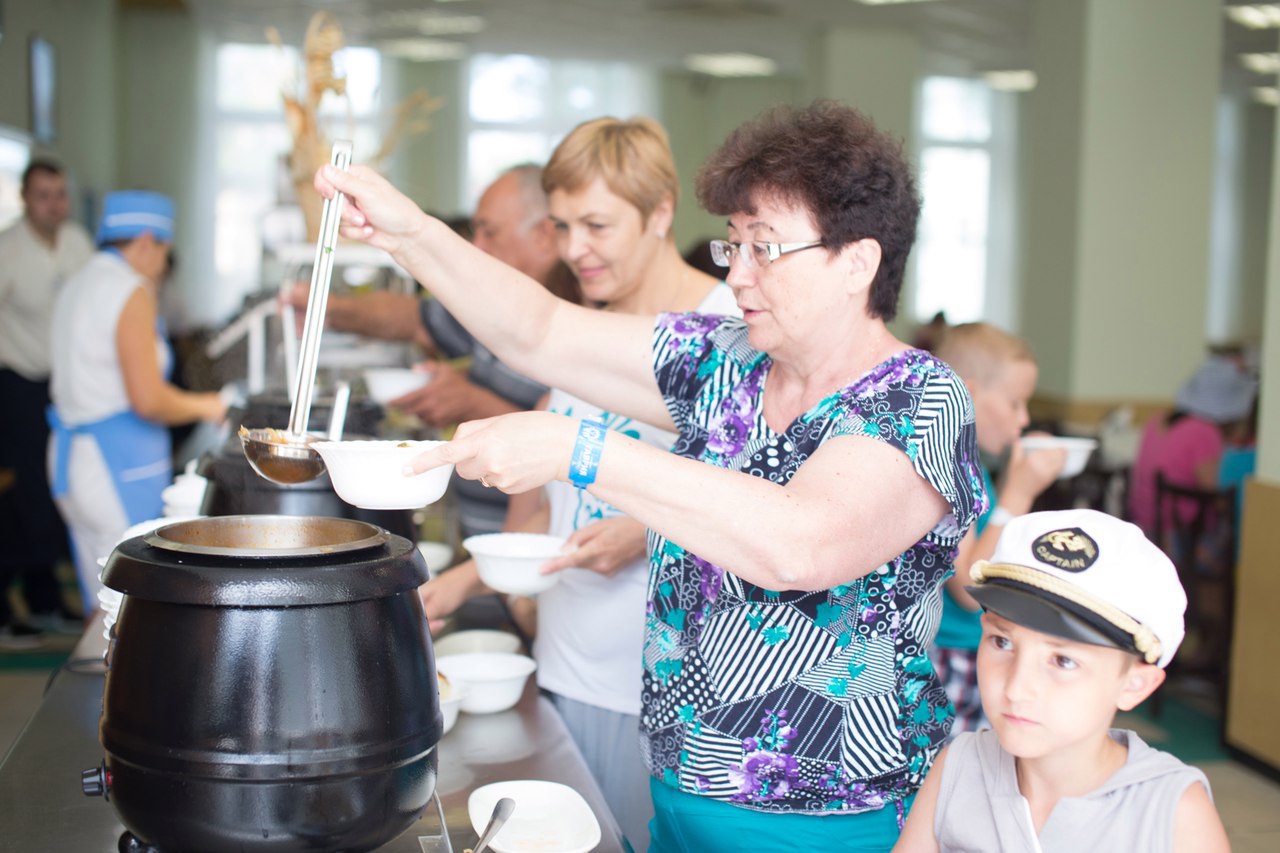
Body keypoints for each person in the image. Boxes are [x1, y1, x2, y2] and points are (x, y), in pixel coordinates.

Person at [317, 101, 984, 851]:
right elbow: (540, 330)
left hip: (831, 821)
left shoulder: (918, 398)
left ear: (857, 262)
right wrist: (408, 233)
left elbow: (800, 545)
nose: (737, 275)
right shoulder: (725, 360)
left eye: (766, 248)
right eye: (734, 245)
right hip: (677, 795)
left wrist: (582, 450)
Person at [418, 116, 739, 852]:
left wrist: (647, 527)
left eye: (597, 225)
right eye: (562, 226)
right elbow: (558, 509)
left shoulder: (726, 328)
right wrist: (459, 583)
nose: (573, 249)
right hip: (563, 664)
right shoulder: (583, 332)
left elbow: (759, 502)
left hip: (657, 690)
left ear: (660, 213)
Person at [894, 509, 1230, 852]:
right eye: (1002, 642)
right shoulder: (958, 767)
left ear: (1134, 685)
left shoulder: (1174, 814)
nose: (1016, 688)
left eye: (1063, 661)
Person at [283, 163, 580, 536]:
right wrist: (326, 308)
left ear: (544, 235)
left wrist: (471, 401)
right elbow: (417, 319)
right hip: (481, 534)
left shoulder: (577, 319)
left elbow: (575, 438)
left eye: (489, 231)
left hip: (534, 547)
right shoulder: (491, 311)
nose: (478, 246)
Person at [47, 190, 227, 607]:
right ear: (147, 242)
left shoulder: (79, 282)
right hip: (114, 466)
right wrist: (209, 405)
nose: (164, 264)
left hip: (71, 459)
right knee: (129, 603)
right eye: (164, 251)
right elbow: (147, 400)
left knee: (101, 599)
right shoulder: (129, 290)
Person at [929, 323, 1066, 734]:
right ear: (968, 395)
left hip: (970, 648)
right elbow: (970, 589)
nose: (1023, 418)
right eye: (1014, 403)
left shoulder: (972, 462)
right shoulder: (950, 464)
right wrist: (1018, 493)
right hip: (949, 654)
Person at [0, 158, 94, 647]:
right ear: (24, 199)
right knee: (19, 498)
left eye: (60, 194)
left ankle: (45, 599)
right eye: (43, 195)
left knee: (54, 495)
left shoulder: (77, 242)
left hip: (64, 387)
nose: (53, 205)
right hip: (16, 386)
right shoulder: (9, 249)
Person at [1128, 351, 1258, 538]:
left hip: (1145, 522)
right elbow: (1213, 491)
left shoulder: (1157, 420)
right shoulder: (1204, 431)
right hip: (1179, 533)